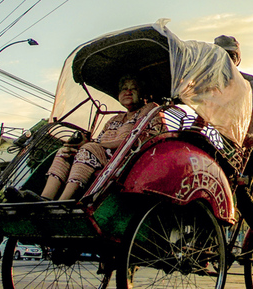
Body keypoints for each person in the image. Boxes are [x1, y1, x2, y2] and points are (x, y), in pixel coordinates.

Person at [12, 75, 164, 202]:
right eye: (124, 88)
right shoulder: (115, 119)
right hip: (103, 158)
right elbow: (98, 141)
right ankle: (45, 198)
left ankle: (62, 202)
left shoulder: (150, 109)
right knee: (64, 151)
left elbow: (136, 141)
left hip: (129, 161)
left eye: (134, 88)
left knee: (88, 149)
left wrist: (89, 146)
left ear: (142, 92)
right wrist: (79, 146)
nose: (128, 91)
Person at [214, 35, 253, 258]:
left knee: (238, 186)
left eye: (230, 56)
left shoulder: (248, 81)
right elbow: (203, 114)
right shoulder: (214, 87)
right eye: (221, 55)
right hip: (230, 147)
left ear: (237, 59)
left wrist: (250, 134)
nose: (226, 60)